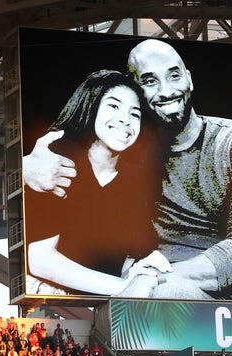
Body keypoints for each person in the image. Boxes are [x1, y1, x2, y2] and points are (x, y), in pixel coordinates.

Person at [24, 39, 232, 303]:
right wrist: (26, 167)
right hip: (174, 288)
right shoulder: (129, 157)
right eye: (150, 81)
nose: (166, 90)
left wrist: (147, 279)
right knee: (172, 300)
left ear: (189, 79)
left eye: (174, 75)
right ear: (138, 91)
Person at [25, 69, 170, 295]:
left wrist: (140, 271)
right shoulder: (59, 159)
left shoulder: (135, 182)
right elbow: (40, 260)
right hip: (50, 297)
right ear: (92, 107)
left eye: (135, 114)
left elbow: (119, 257)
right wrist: (125, 288)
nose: (125, 119)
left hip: (100, 305)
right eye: (113, 106)